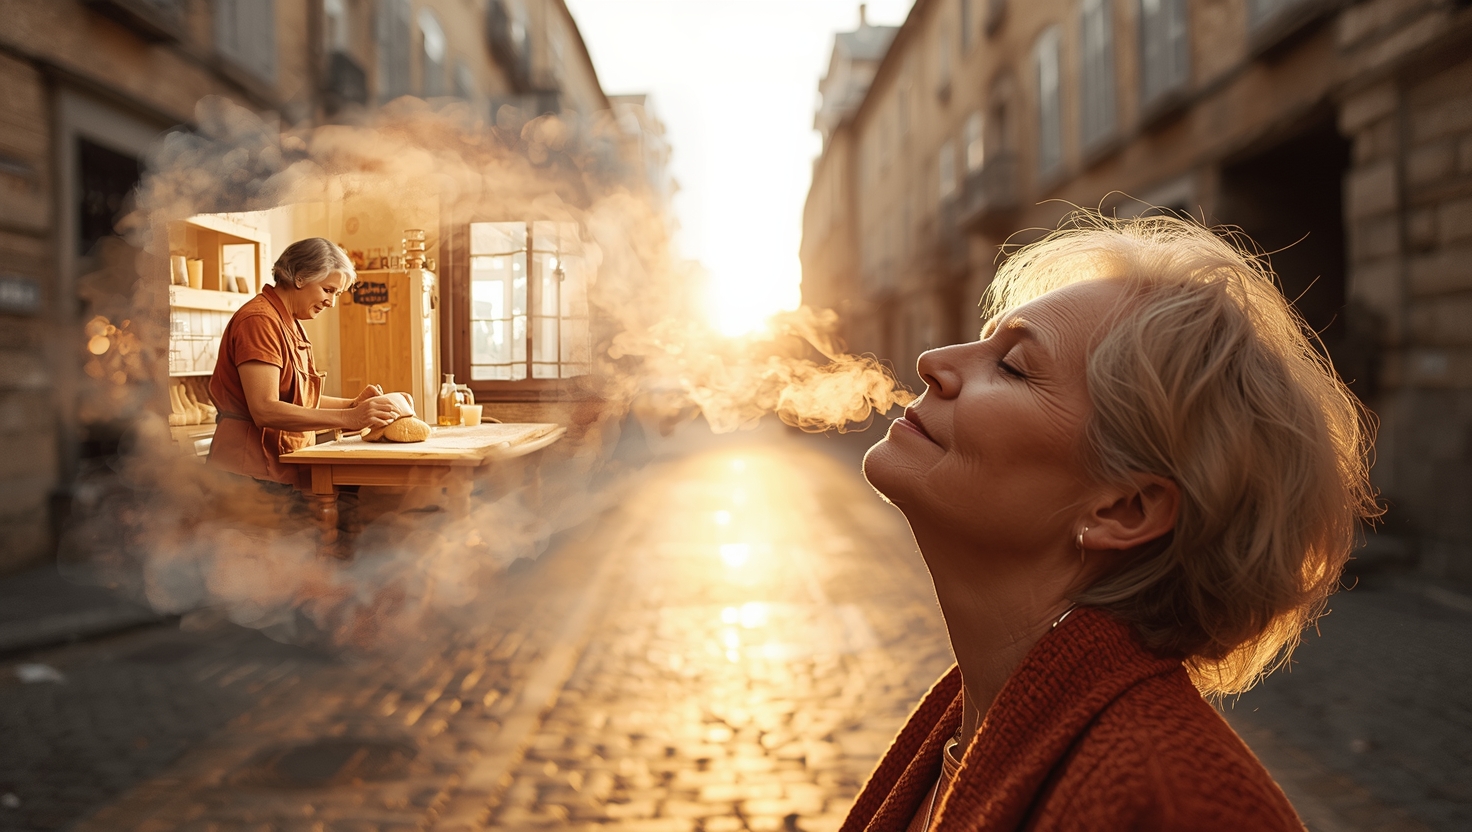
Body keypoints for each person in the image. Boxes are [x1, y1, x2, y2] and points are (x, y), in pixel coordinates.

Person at [845, 214, 1377, 832]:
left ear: (1123, 510)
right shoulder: (970, 717)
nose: (932, 360)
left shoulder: (1175, 804)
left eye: (1013, 366)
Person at [208, 237, 401, 488]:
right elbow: (264, 408)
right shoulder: (259, 321)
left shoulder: (290, 322)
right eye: (328, 290)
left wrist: (353, 404)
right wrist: (349, 417)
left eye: (337, 294)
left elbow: (298, 398)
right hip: (248, 471)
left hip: (277, 466)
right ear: (299, 278)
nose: (331, 302)